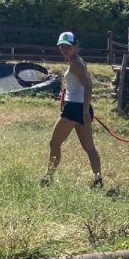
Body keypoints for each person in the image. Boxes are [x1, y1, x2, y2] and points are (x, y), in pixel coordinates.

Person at [40, 31, 103, 188]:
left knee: (54, 143)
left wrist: (83, 110)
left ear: (76, 46)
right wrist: (85, 109)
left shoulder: (75, 64)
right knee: (89, 147)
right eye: (61, 46)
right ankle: (98, 179)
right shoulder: (77, 61)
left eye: (67, 46)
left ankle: (48, 178)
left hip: (75, 108)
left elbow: (88, 85)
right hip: (79, 107)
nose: (64, 49)